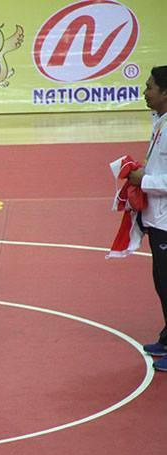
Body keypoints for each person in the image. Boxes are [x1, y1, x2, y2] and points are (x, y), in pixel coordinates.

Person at [128, 66, 167, 372]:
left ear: (165, 93)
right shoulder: (159, 121)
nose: (145, 92)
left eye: (150, 86)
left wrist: (144, 180)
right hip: (157, 217)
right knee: (160, 281)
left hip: (166, 221)